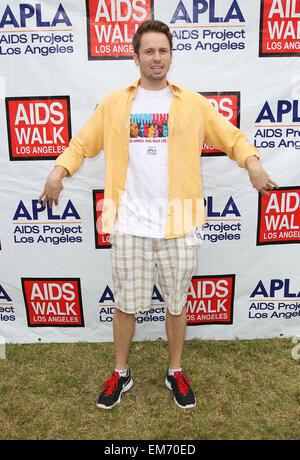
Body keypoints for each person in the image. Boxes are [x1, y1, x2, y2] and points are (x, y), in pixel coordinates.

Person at [39, 20, 278, 410]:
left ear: (170, 55)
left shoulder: (194, 104)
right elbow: (82, 144)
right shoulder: (115, 103)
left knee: (177, 303)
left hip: (178, 223)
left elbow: (231, 137)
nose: (156, 58)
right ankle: (121, 373)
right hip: (128, 223)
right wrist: (57, 171)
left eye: (162, 51)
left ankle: (175, 370)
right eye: (148, 51)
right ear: (135, 58)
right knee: (125, 304)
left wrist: (251, 163)